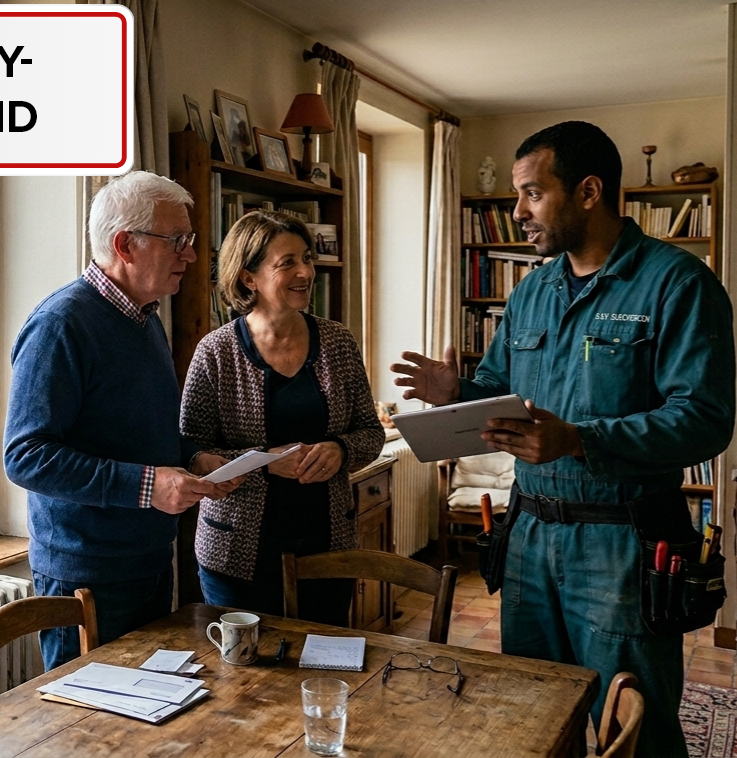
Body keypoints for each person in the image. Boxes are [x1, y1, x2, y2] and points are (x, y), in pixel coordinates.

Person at [391, 121, 735, 757]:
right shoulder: (531, 294)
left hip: (621, 545)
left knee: (636, 724)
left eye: (531, 193)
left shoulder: (677, 284)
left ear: (587, 191)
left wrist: (578, 440)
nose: (517, 212)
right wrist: (456, 391)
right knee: (532, 714)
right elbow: (497, 394)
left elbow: (706, 420)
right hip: (527, 542)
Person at [4, 171, 240, 670]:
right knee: (88, 737)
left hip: (148, 560)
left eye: (190, 241)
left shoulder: (144, 317)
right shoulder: (60, 324)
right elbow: (26, 457)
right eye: (177, 241)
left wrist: (191, 459)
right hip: (86, 575)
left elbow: (131, 431)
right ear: (124, 245)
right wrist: (148, 485)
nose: (192, 255)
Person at [181, 210, 384, 625]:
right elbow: (190, 450)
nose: (305, 271)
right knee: (242, 682)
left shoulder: (338, 342)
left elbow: (371, 432)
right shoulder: (215, 352)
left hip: (328, 546)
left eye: (306, 258)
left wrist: (340, 449)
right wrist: (266, 463)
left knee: (324, 665)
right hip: (236, 554)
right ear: (248, 277)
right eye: (287, 262)